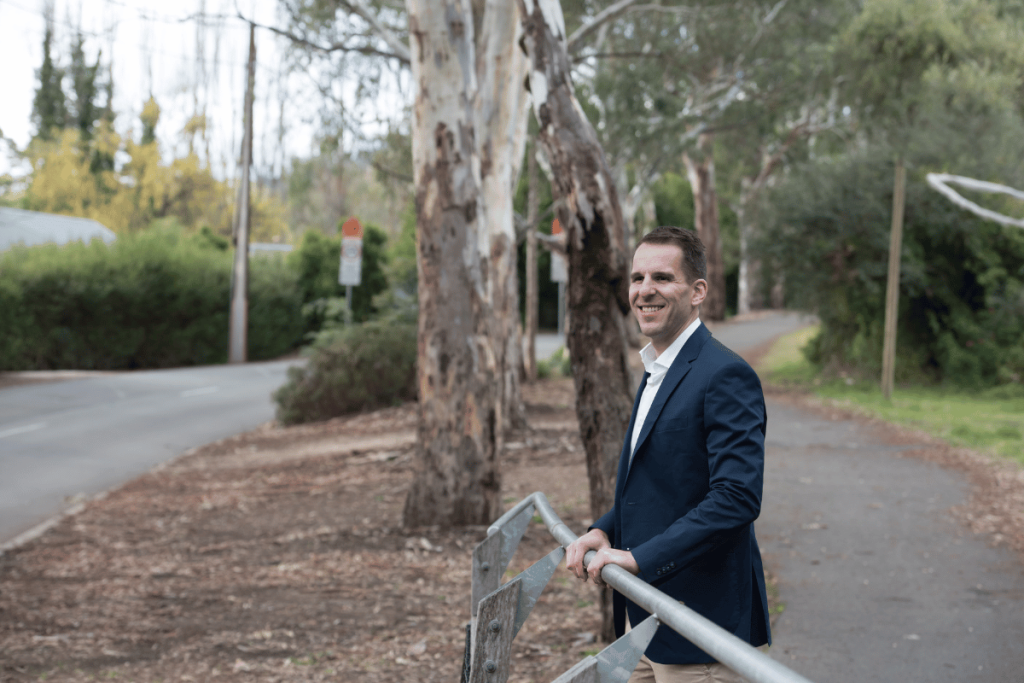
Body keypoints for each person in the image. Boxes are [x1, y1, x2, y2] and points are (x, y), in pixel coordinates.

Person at [565, 226, 770, 683]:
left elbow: (736, 497)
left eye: (662, 277)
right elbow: (659, 484)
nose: (644, 291)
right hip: (642, 622)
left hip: (700, 634)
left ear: (698, 291)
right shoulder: (658, 365)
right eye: (637, 278)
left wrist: (636, 560)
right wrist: (604, 529)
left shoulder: (726, 374)